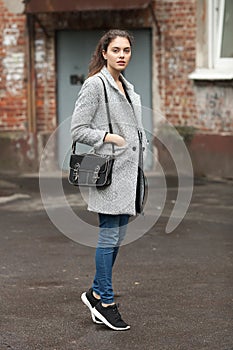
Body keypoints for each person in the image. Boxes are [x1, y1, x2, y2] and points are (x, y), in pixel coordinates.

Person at [71, 29, 147, 331]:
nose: (122, 55)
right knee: (108, 237)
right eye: (116, 50)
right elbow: (77, 130)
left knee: (117, 238)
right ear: (104, 52)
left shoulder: (126, 86)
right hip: (109, 173)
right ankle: (105, 301)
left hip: (129, 175)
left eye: (126, 50)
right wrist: (107, 137)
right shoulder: (95, 85)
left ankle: (94, 292)